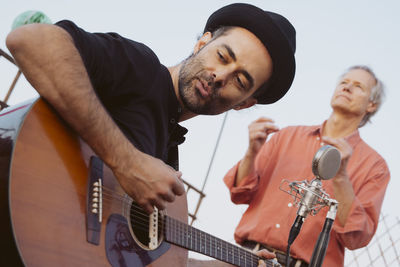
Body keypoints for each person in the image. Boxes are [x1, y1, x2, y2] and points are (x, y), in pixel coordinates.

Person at [5, 3, 295, 266]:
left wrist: (231, 263)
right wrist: (127, 162)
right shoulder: (141, 69)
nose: (220, 76)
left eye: (240, 80)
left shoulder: (168, 152)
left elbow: (151, 259)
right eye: (222, 56)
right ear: (202, 42)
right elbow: (30, 40)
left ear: (244, 103)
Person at [222, 65, 390, 267]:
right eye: (343, 83)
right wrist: (251, 153)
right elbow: (239, 193)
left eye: (358, 86)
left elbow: (356, 237)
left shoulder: (375, 166)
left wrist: (341, 176)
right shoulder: (286, 136)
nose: (346, 88)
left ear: (371, 104)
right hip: (248, 258)